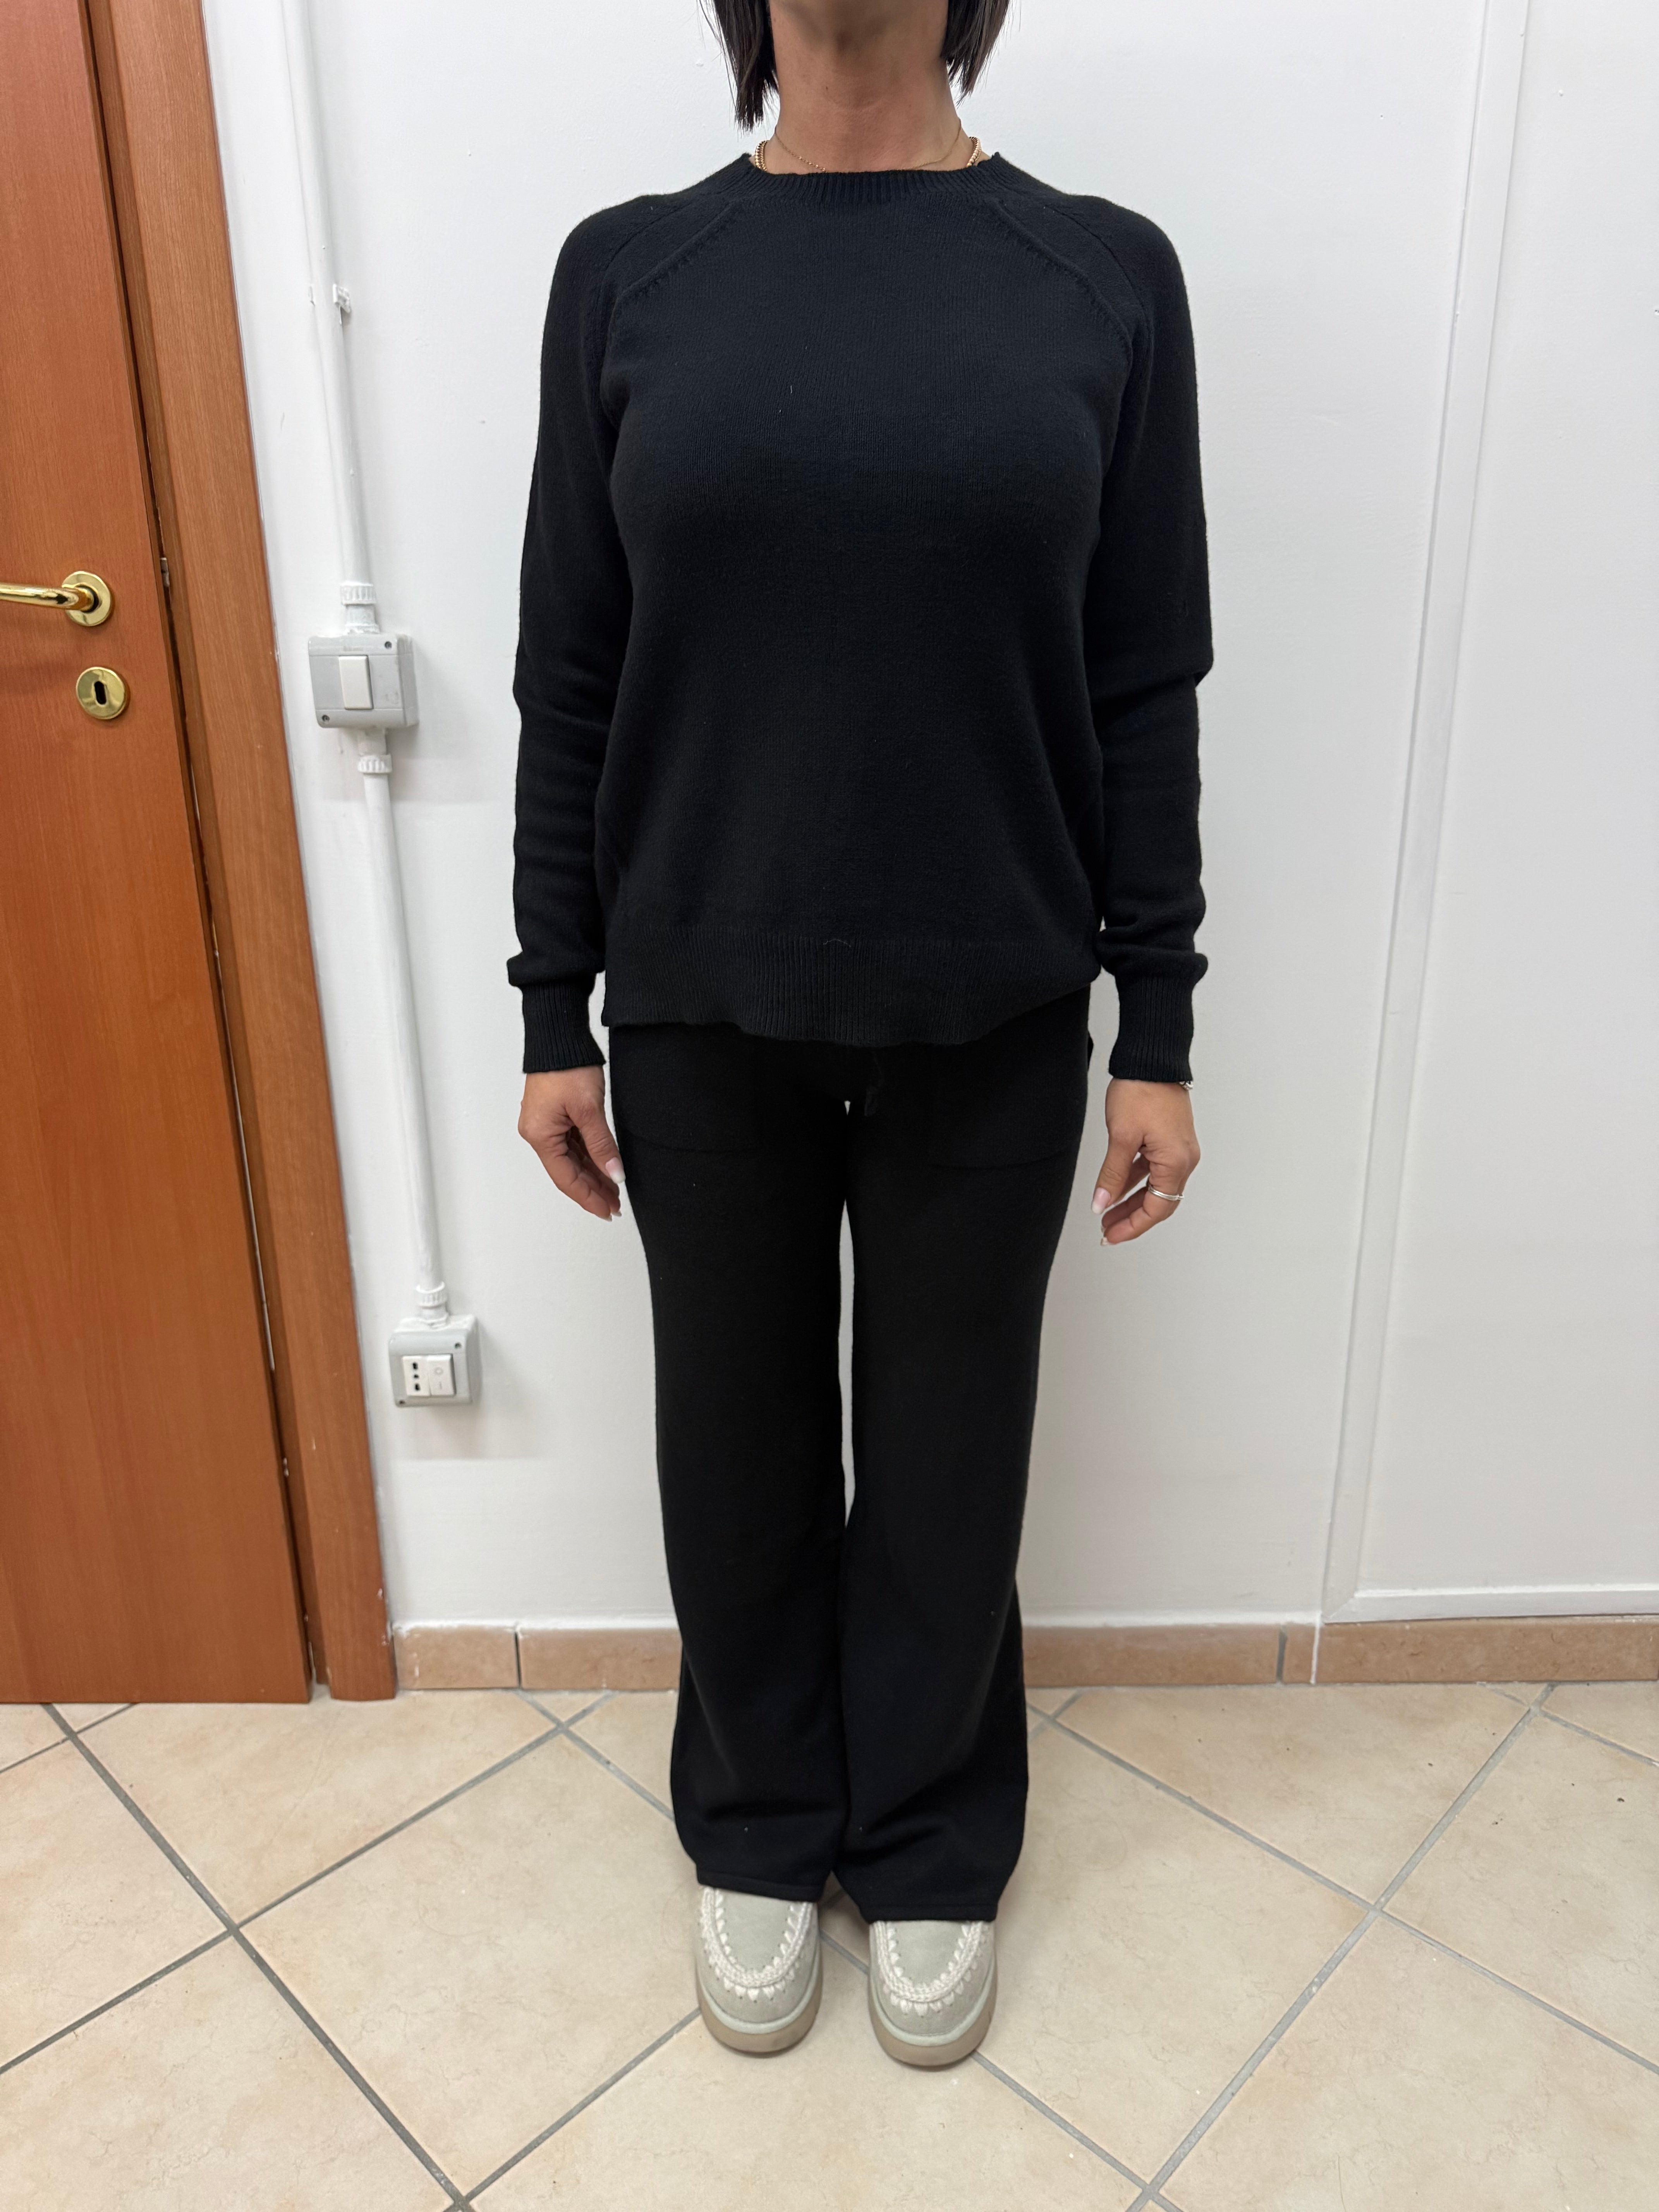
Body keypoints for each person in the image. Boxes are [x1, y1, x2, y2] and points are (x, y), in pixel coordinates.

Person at [510, 0, 1208, 2068]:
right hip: (701, 999)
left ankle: (922, 1839)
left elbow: (1144, 677)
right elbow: (573, 668)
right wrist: (554, 1002)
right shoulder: (629, 274)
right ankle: (756, 1820)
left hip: (994, 997)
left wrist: (1158, 1021)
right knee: (729, 1448)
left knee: (949, 1459)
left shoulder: (1103, 276)